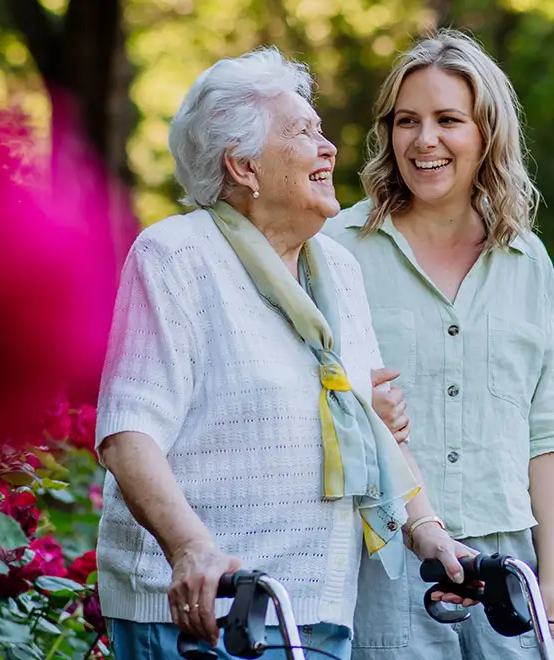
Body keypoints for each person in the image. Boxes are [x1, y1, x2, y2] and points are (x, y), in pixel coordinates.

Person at [94, 47, 471, 660]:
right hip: (208, 615)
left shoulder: (338, 271)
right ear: (244, 165)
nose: (329, 149)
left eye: (321, 132)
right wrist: (191, 548)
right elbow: (127, 433)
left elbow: (370, 426)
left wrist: (430, 531)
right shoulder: (178, 257)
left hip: (316, 610)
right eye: (304, 133)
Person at [324, 29, 554, 660]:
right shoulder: (337, 250)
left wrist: (552, 580)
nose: (424, 140)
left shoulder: (527, 261)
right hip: (387, 565)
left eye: (449, 119)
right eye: (407, 120)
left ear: (486, 135)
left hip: (508, 571)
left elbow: (549, 431)